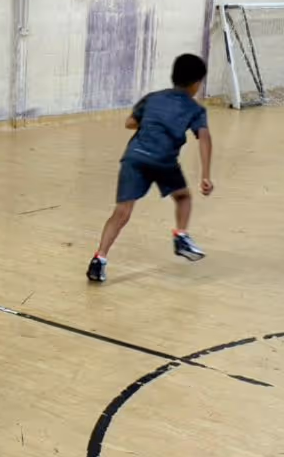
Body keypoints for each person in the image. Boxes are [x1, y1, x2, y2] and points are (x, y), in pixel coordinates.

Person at [87, 53, 214, 284]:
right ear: (196, 83)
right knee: (183, 197)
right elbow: (204, 138)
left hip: (134, 157)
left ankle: (99, 260)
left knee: (122, 212)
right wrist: (205, 175)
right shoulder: (195, 109)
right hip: (163, 160)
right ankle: (181, 237)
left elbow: (129, 123)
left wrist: (151, 121)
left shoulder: (153, 98)